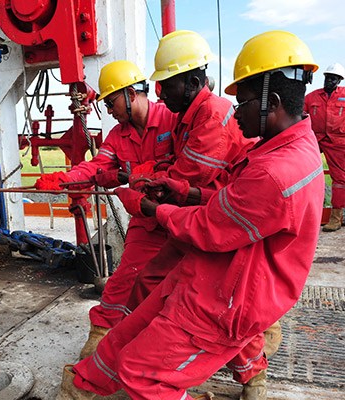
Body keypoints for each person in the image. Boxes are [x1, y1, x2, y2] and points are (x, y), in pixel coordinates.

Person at [58, 30, 324, 400]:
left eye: (242, 102)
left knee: (143, 366)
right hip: (224, 244)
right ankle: (91, 379)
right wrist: (179, 191)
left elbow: (212, 220)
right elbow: (221, 195)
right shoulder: (280, 147)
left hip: (227, 271)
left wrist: (146, 197)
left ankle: (242, 375)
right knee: (147, 298)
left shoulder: (251, 152)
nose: (235, 112)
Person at [35, 60, 178, 359]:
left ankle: (250, 371)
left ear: (130, 94)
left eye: (111, 102)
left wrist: (154, 173)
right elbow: (98, 166)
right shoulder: (118, 136)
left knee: (196, 286)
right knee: (126, 278)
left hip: (182, 219)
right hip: (145, 220)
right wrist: (66, 179)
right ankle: (100, 335)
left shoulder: (171, 119)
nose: (109, 111)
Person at [304, 62, 345, 231]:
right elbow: (301, 115)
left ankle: (336, 217)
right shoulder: (312, 97)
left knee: (339, 179)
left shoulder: (344, 96)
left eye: (334, 79)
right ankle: (305, 213)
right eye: (328, 77)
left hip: (338, 141)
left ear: (339, 80)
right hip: (315, 138)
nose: (330, 81)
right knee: (302, 172)